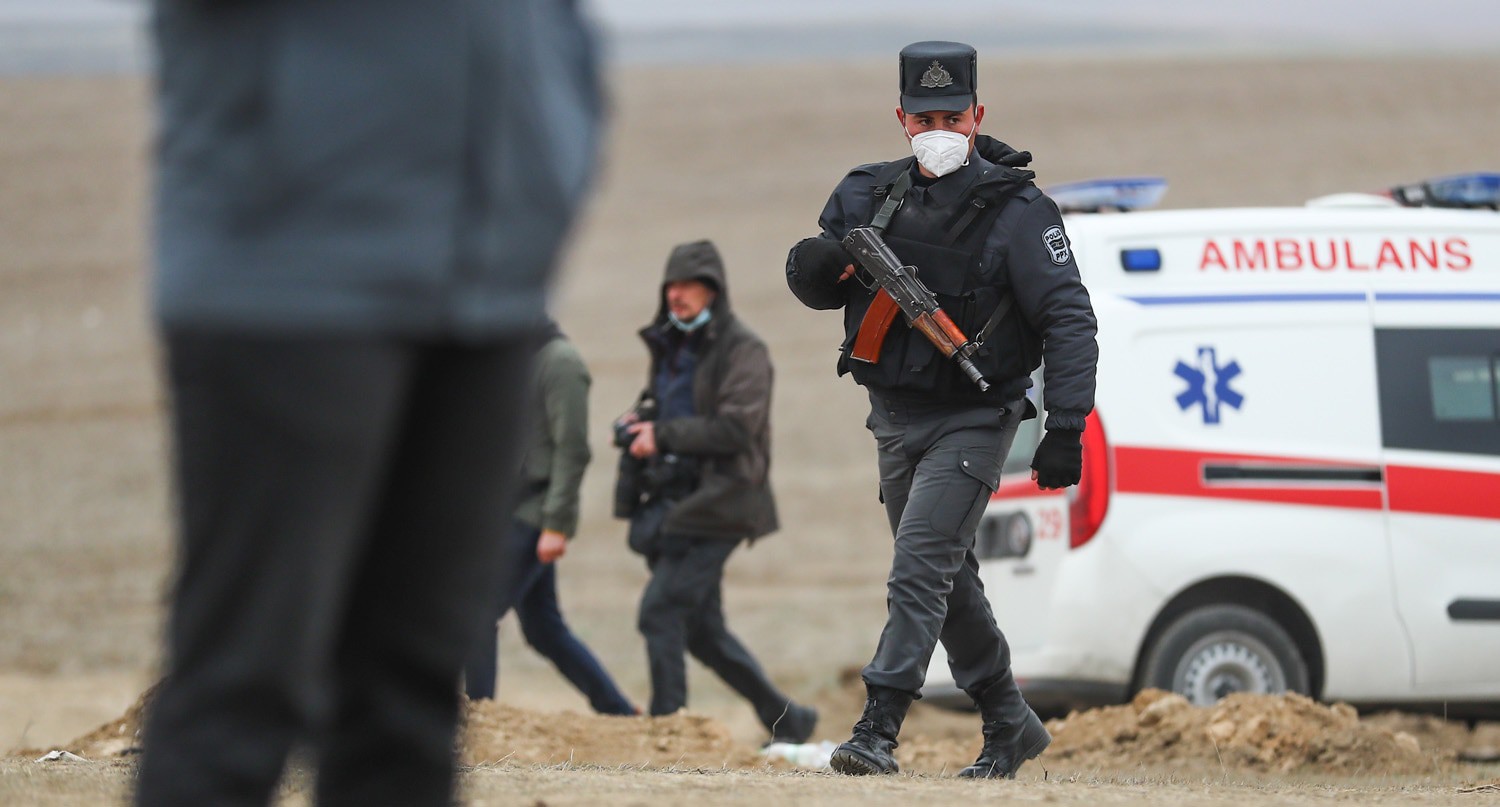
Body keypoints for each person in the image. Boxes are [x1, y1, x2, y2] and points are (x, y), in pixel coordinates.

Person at [134, 2, 602, 805]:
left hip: (492, 267)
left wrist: (561, 116)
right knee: (245, 685)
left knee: (411, 705)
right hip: (287, 263)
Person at [785, 41, 1098, 778]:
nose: (939, 131)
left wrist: (1065, 426)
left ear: (977, 115)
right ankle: (1009, 724)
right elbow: (822, 278)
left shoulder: (1020, 212)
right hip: (893, 417)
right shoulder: (868, 194)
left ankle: (877, 728)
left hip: (975, 417)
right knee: (948, 580)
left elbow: (1068, 319)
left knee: (918, 569)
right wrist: (814, 269)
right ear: (901, 118)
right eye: (924, 119)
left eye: (952, 118)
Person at [614, 239, 818, 745]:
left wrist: (662, 435)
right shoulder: (674, 345)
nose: (677, 295)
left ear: (714, 290)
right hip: (681, 499)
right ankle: (789, 721)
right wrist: (641, 421)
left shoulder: (743, 350)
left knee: (660, 611)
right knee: (703, 633)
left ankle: (670, 732)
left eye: (689, 285)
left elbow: (736, 429)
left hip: (724, 501)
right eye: (671, 285)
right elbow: (674, 408)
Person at [463, 321, 637, 716]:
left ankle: (480, 719)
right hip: (508, 509)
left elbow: (572, 450)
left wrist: (556, 524)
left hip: (535, 513)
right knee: (544, 628)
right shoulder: (514, 358)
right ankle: (619, 712)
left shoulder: (561, 362)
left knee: (478, 614)